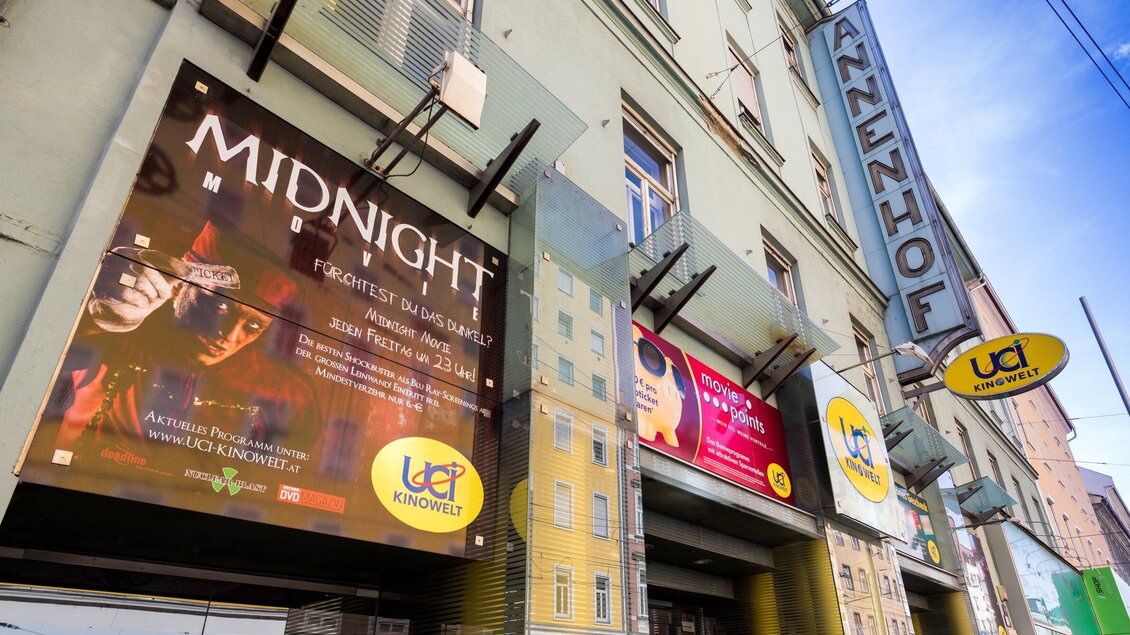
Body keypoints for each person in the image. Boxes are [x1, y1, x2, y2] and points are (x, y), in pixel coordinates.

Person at [44, 220, 321, 466]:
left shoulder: (283, 391)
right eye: (219, 307)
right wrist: (100, 306)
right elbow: (55, 342)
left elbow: (284, 470)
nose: (228, 335)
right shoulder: (124, 331)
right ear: (178, 288)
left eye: (253, 326)